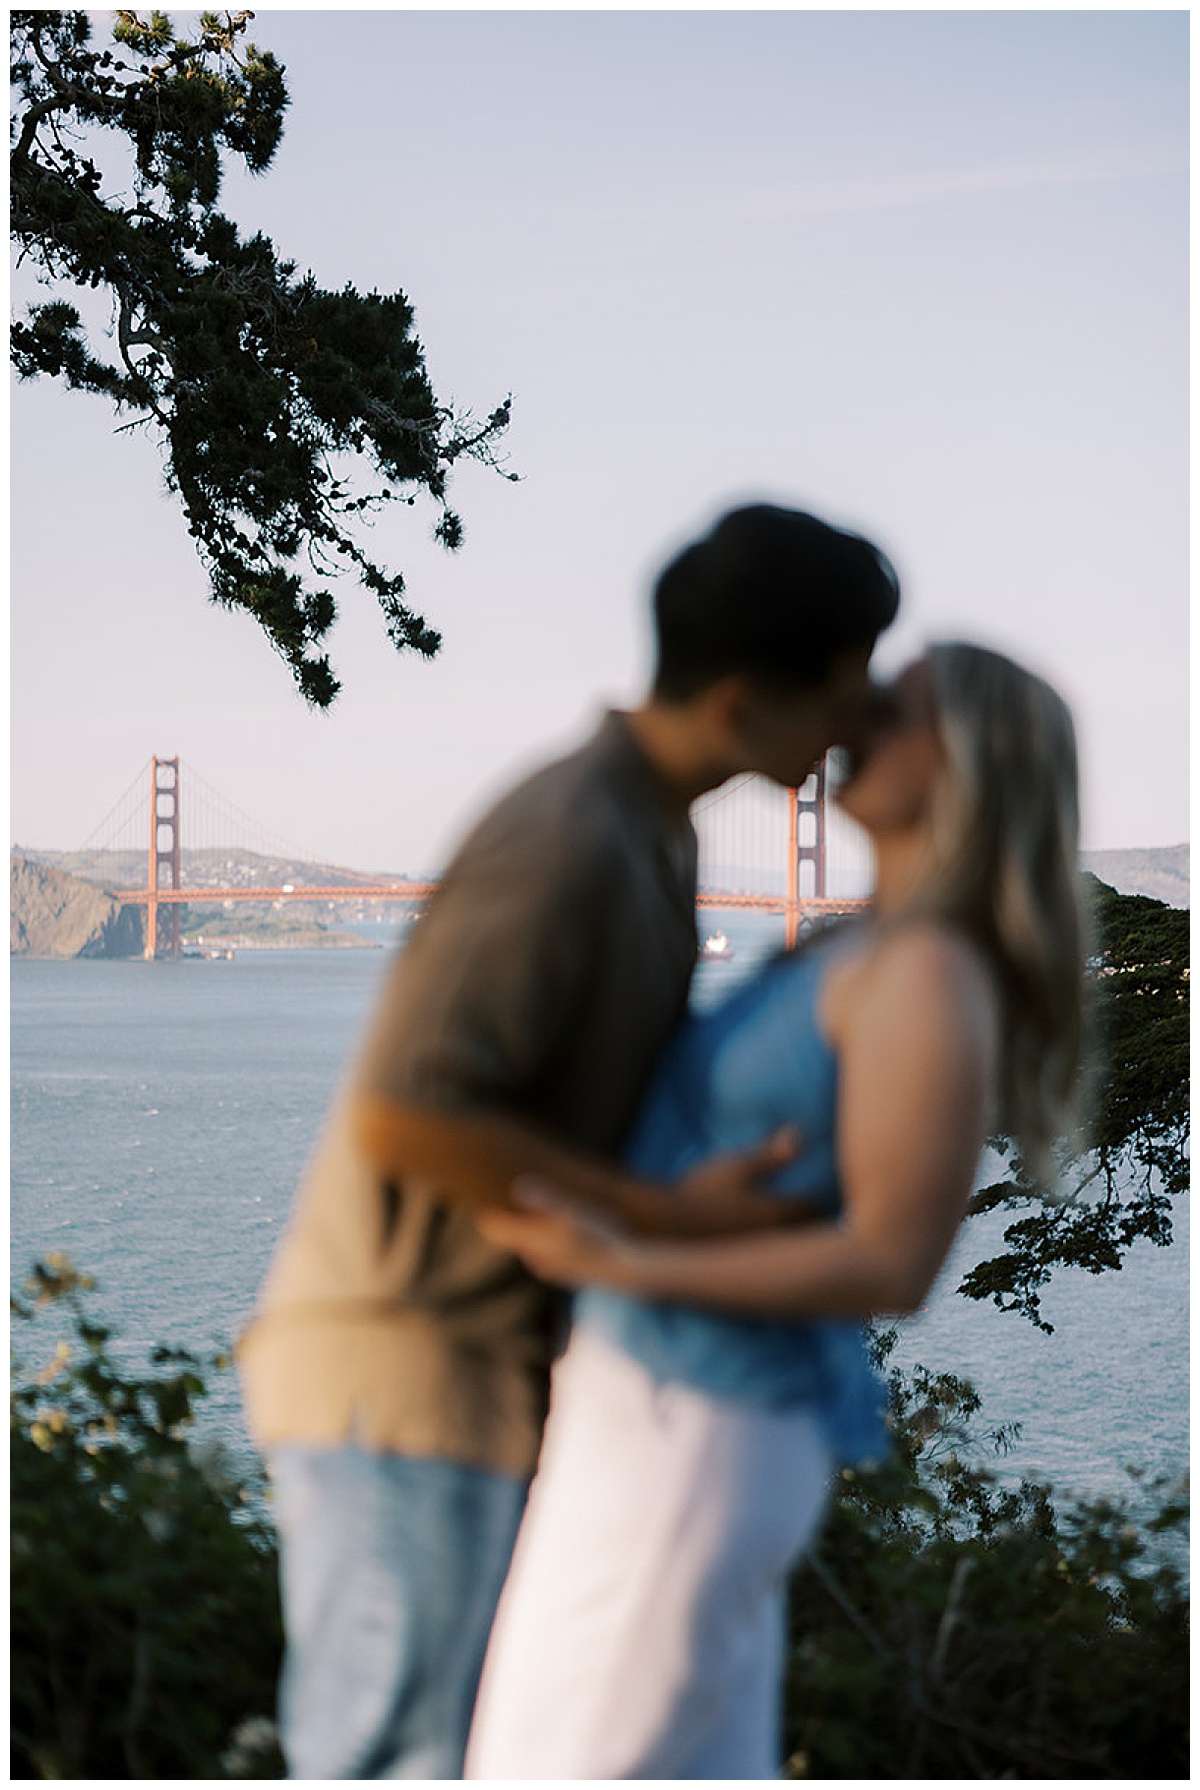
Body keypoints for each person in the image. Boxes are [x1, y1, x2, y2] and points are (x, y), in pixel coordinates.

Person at [236, 502, 901, 1779]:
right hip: (407, 1363)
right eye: (844, 678)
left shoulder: (650, 828)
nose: (857, 715)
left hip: (470, 1370)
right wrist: (662, 1218)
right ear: (750, 697)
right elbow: (409, 1109)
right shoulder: (570, 838)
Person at [464, 641, 1087, 1780]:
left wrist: (622, 1256)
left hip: (707, 1420)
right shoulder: (862, 946)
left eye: (894, 709)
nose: (854, 713)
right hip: (659, 1402)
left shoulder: (929, 973)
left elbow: (892, 1260)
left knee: (548, 1761)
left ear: (964, 767)